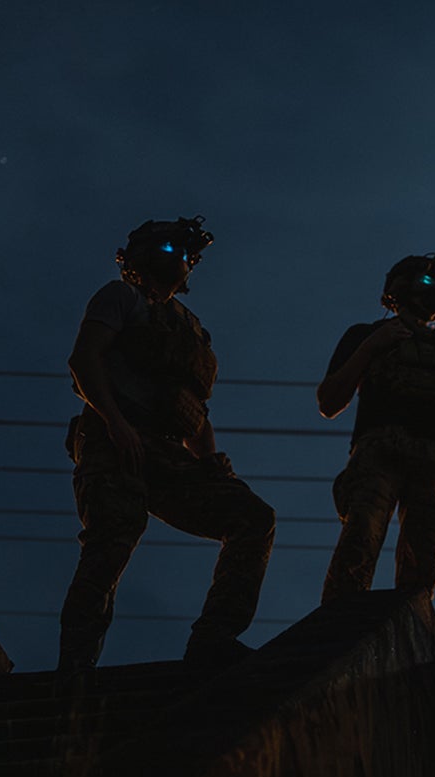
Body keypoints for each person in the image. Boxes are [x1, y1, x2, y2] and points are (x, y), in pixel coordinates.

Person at [57, 216, 275, 677]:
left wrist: (211, 463)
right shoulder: (120, 297)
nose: (183, 262)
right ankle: (75, 669)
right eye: (174, 252)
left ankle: (214, 640)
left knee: (253, 517)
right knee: (110, 543)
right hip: (113, 439)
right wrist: (114, 422)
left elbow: (192, 411)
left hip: (167, 449)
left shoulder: (190, 330)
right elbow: (85, 359)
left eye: (188, 257)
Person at [316, 252, 435, 603]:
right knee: (359, 543)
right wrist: (370, 347)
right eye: (425, 281)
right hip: (381, 454)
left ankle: (411, 625)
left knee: (422, 567)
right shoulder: (368, 335)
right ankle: (338, 621)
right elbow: (329, 401)